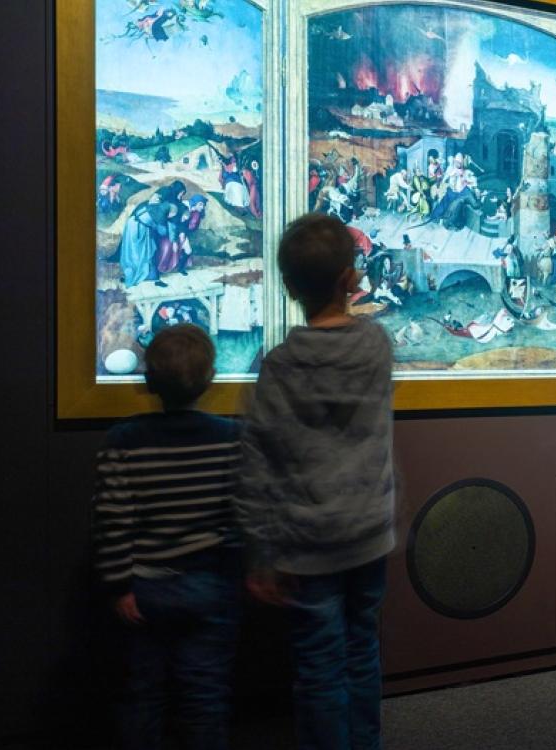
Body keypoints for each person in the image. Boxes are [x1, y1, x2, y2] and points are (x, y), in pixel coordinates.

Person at [236, 214, 397, 750]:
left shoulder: (280, 366)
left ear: (286, 286)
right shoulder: (376, 346)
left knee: (319, 667)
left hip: (307, 545)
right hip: (369, 535)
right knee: (362, 652)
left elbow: (258, 464)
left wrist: (259, 550)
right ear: (351, 280)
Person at [91, 324, 243, 750]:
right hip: (209, 585)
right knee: (205, 695)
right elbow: (241, 512)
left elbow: (111, 521)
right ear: (210, 379)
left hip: (144, 588)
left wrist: (118, 585)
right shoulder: (230, 437)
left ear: (148, 379)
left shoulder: (123, 440)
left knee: (142, 693)